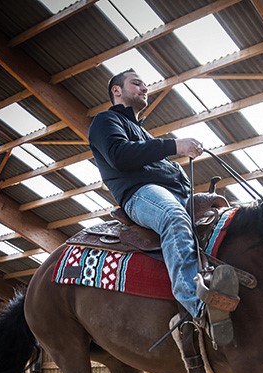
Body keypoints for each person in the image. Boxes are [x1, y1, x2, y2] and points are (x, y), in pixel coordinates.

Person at [88, 69, 206, 323]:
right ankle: (196, 309)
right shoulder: (105, 121)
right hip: (140, 194)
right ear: (116, 91)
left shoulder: (145, 134)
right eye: (137, 83)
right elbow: (120, 155)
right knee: (173, 217)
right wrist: (175, 145)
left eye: (145, 86)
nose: (145, 89)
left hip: (175, 193)